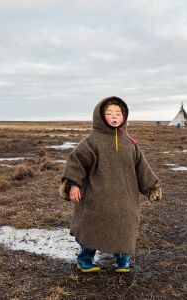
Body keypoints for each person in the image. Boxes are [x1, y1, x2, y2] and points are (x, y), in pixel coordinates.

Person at [59, 96, 162, 273]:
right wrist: (73, 185)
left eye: (118, 113)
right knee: (91, 226)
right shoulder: (92, 142)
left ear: (124, 116)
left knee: (125, 227)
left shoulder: (130, 144)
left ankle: (122, 260)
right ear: (100, 116)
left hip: (126, 199)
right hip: (97, 197)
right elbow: (77, 162)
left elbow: (141, 168)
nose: (114, 116)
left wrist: (151, 187)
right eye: (109, 113)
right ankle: (85, 259)